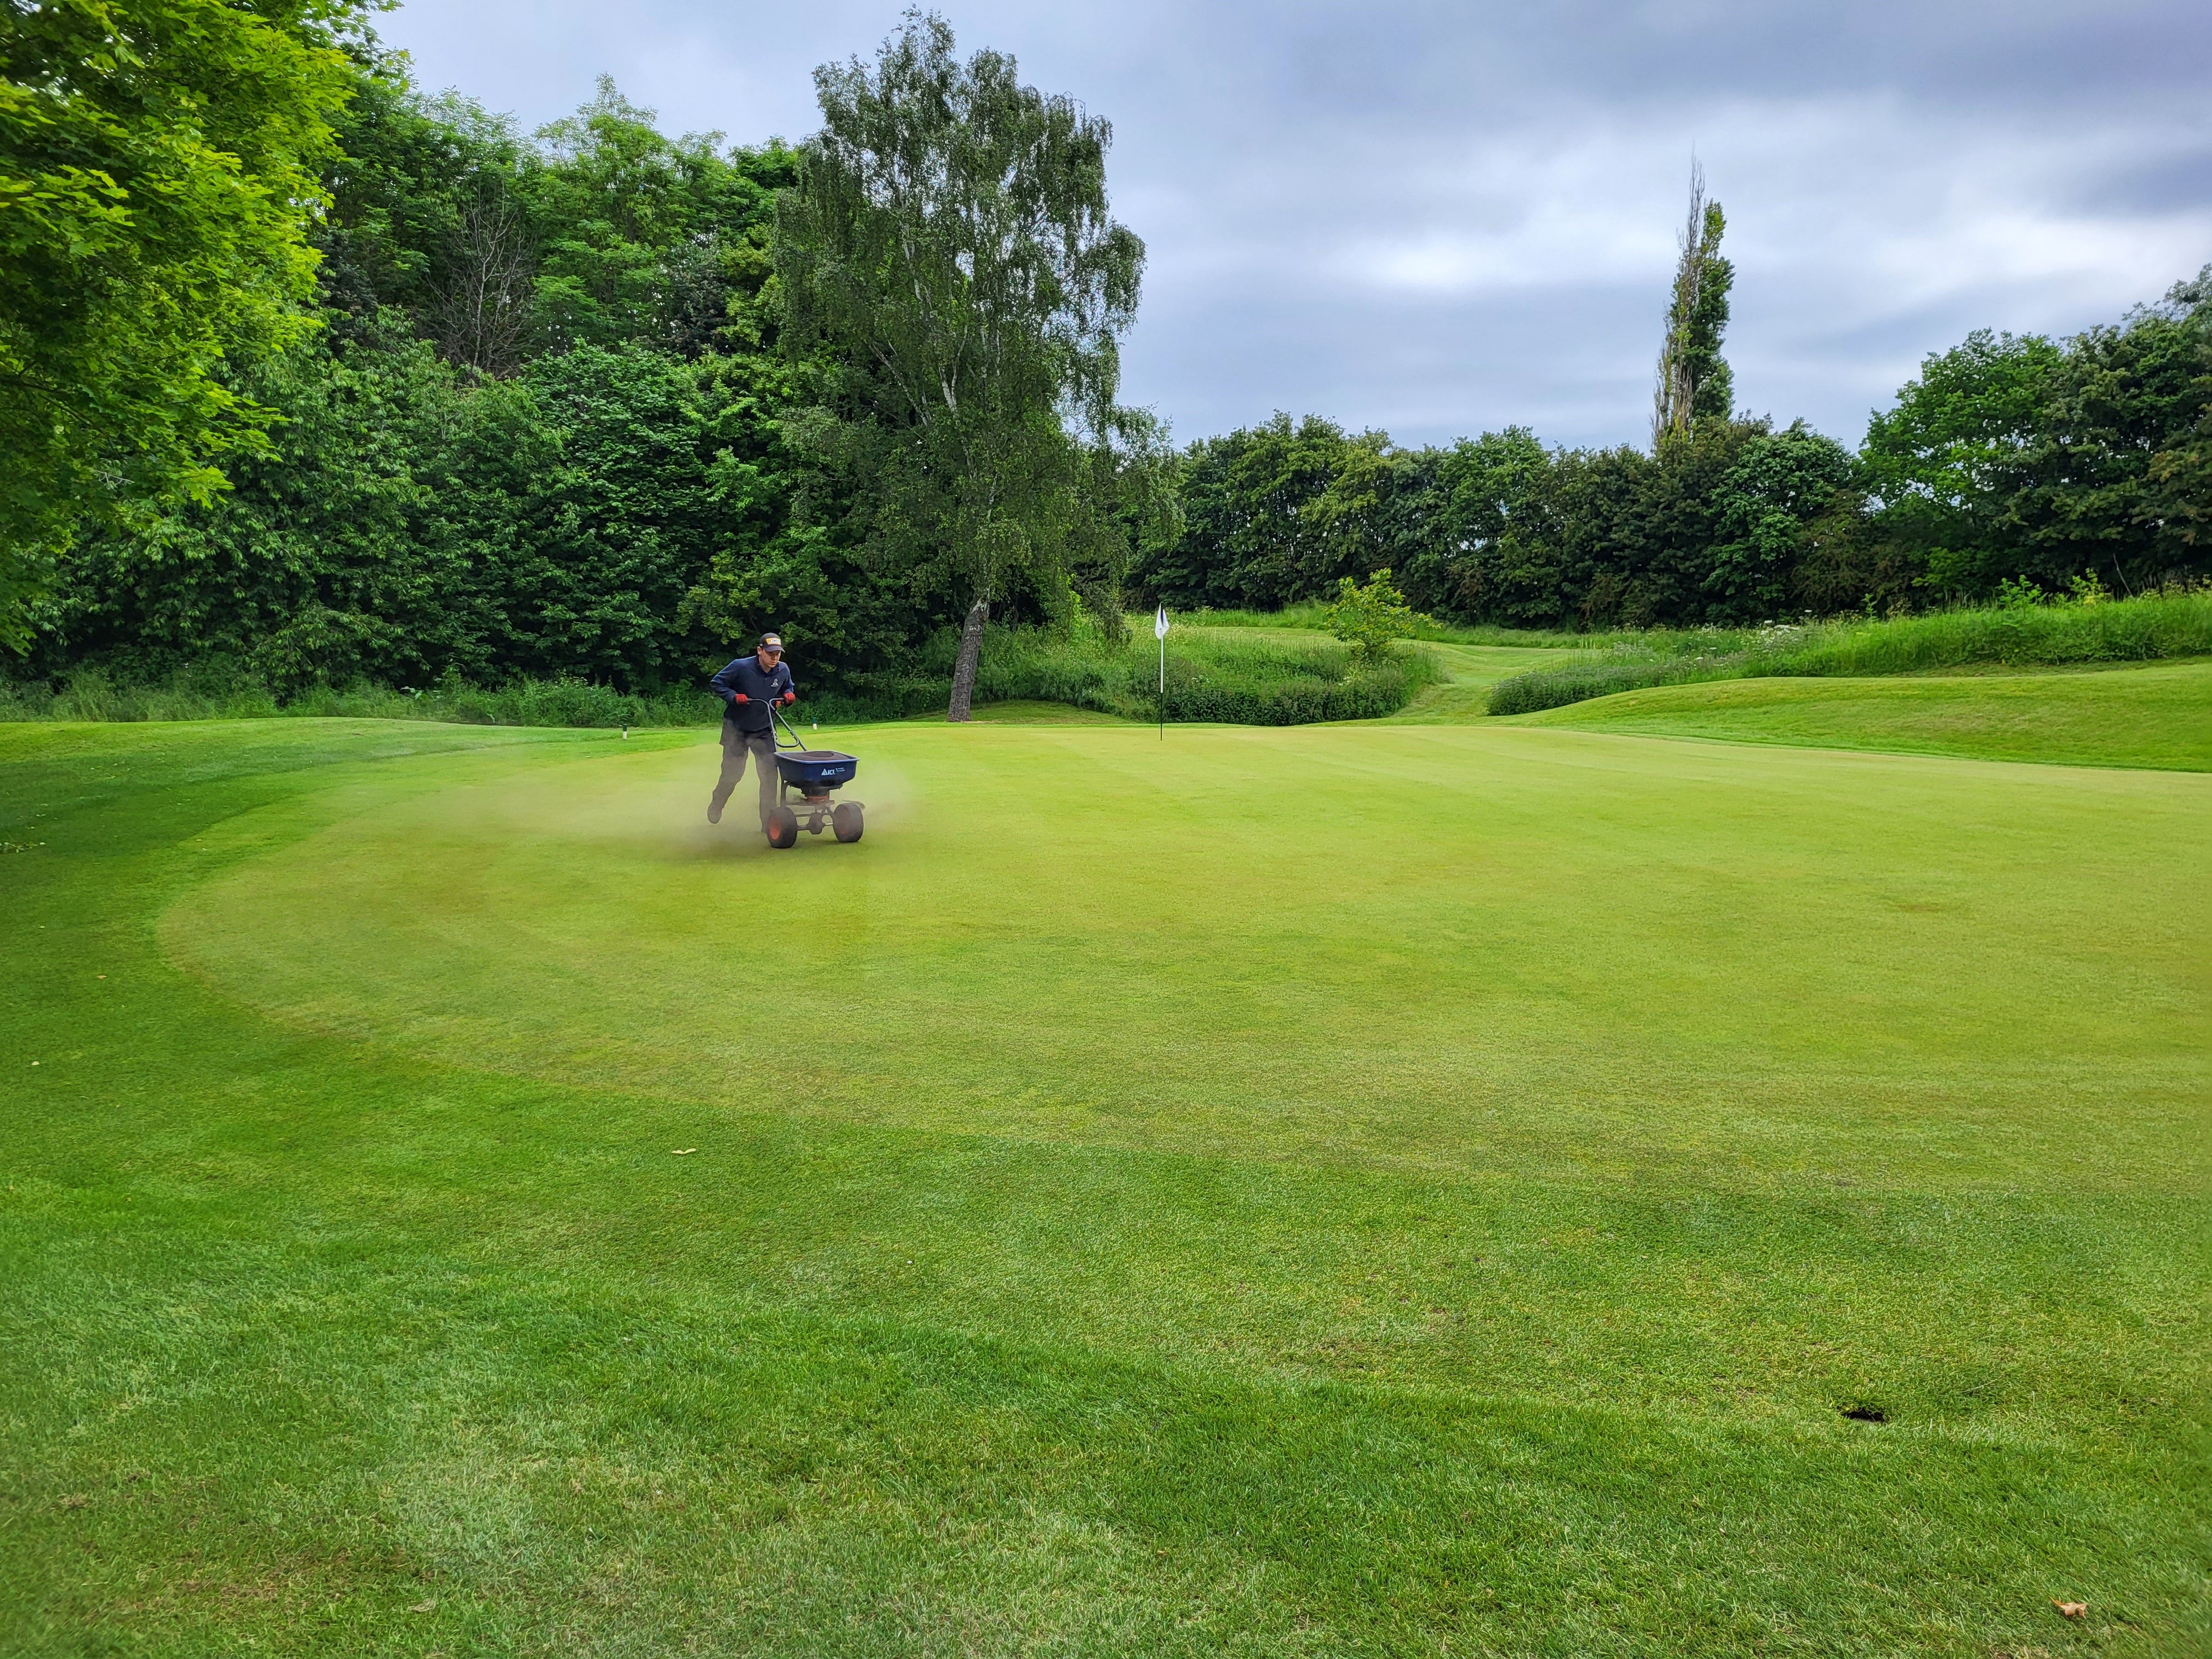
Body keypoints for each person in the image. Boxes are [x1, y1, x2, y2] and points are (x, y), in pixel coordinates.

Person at [707, 632, 796, 827]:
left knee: (769, 776)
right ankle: (717, 802)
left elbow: (787, 687)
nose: (774, 658)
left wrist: (789, 695)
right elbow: (717, 683)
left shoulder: (783, 670)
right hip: (736, 729)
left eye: (778, 654)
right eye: (770, 653)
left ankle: (769, 823)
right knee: (733, 774)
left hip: (764, 729)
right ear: (760, 651)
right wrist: (733, 696)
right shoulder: (740, 667)